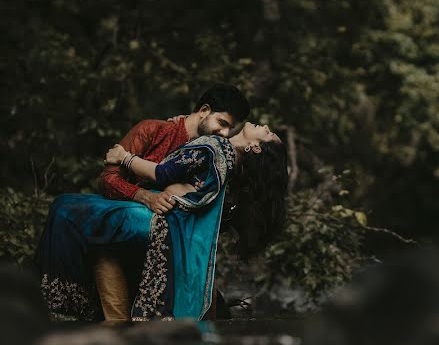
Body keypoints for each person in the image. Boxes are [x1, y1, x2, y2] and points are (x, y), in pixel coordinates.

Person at [36, 122, 287, 326]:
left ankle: (63, 307)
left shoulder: (216, 149)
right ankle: (100, 316)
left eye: (267, 132)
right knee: (97, 232)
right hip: (174, 230)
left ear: (255, 147)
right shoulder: (233, 169)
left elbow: (163, 173)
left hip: (154, 220)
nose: (264, 125)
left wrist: (125, 157)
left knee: (65, 207)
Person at [94, 84, 250, 325]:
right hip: (135, 227)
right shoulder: (153, 130)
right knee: (103, 243)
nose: (225, 133)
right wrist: (145, 196)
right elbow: (107, 181)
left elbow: (168, 176)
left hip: (179, 243)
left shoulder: (215, 152)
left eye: (231, 128)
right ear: (204, 110)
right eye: (222, 123)